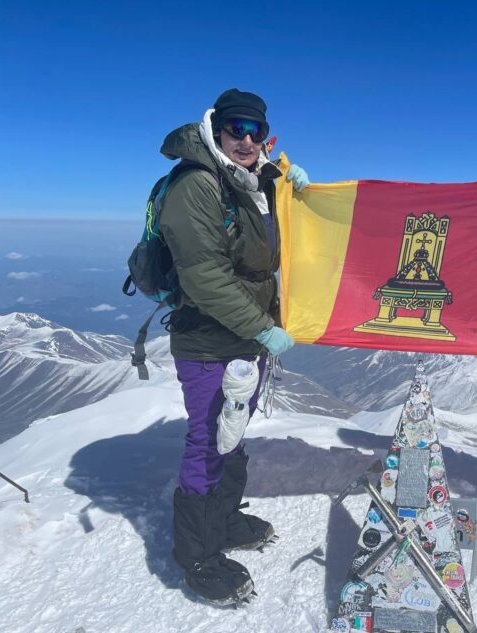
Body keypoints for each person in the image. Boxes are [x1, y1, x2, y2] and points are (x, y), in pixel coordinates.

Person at [158, 88, 309, 605]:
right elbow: (203, 278)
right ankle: (196, 554)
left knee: (232, 428)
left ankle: (221, 521)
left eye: (254, 130)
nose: (245, 139)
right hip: (207, 338)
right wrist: (263, 328)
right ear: (216, 129)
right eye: (235, 128)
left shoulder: (256, 178)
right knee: (206, 439)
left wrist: (297, 192)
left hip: (246, 335)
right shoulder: (197, 185)